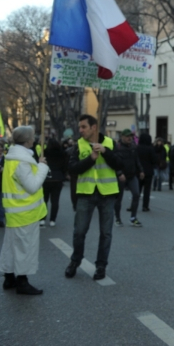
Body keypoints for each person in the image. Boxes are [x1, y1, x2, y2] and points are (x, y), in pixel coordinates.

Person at [65, 114, 122, 281]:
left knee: (106, 233)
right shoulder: (79, 145)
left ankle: (101, 266)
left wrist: (105, 152)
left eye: (84, 127)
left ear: (94, 127)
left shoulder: (110, 143)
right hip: (86, 193)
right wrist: (91, 159)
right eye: (80, 127)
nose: (80, 130)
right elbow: (72, 169)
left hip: (107, 193)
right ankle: (75, 261)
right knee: (79, 232)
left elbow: (120, 164)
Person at [0, 126, 49, 295]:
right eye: (33, 136)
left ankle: (9, 278)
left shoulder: (12, 157)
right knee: (25, 248)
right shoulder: (22, 160)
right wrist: (42, 167)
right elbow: (32, 186)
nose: (34, 139)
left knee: (11, 246)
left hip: (14, 211)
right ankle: (22, 282)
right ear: (27, 140)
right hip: (25, 213)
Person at [113, 129, 144, 227]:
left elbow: (137, 160)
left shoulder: (134, 147)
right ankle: (117, 218)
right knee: (119, 199)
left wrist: (141, 170)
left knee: (136, 194)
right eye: (127, 136)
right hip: (121, 177)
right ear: (122, 137)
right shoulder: (118, 148)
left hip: (132, 176)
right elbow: (115, 163)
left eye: (130, 136)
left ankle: (133, 218)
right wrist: (119, 173)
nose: (129, 138)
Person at [41, 138, 69, 227]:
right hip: (58, 178)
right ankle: (53, 220)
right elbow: (65, 166)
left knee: (44, 200)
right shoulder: (62, 153)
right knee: (55, 201)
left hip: (47, 178)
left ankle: (42, 218)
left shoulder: (44, 152)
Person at [137, 133, 158, 211]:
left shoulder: (137, 148)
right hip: (148, 171)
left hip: (139, 172)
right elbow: (154, 160)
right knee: (147, 190)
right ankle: (145, 206)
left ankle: (134, 205)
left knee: (137, 190)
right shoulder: (150, 148)